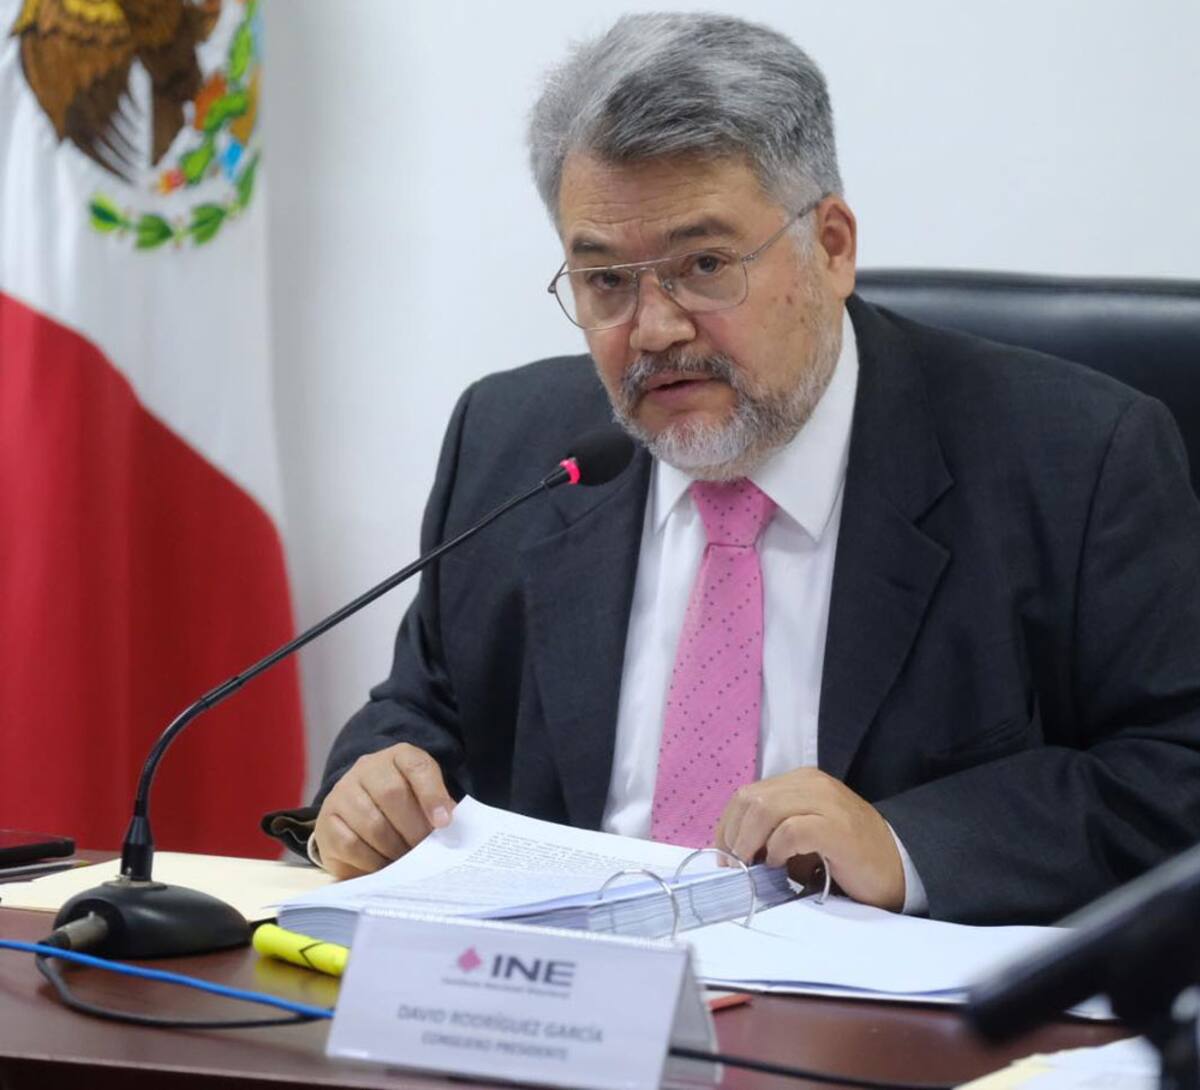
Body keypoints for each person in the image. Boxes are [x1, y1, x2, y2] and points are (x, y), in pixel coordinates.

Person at [264, 12, 1200, 924]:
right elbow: (423, 719)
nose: (658, 329)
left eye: (705, 264)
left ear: (831, 247)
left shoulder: (1075, 459)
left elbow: (1175, 776)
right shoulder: (514, 442)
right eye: (605, 282)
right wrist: (366, 797)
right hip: (558, 1024)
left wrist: (908, 846)